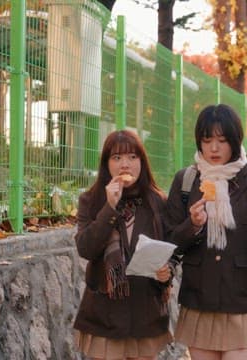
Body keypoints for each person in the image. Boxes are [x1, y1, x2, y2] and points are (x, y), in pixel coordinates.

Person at [164, 104, 247, 359]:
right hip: (200, 304)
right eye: (207, 140)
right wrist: (193, 225)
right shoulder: (186, 181)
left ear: (235, 140)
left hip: (246, 304)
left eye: (222, 140)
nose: (214, 148)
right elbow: (170, 243)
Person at [73, 130, 173, 360]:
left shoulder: (157, 202)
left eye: (132, 157)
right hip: (104, 315)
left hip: (145, 313)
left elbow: (170, 249)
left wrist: (167, 271)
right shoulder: (91, 200)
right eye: (116, 158)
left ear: (142, 162)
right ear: (106, 164)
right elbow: (86, 248)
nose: (125, 165)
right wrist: (109, 208)